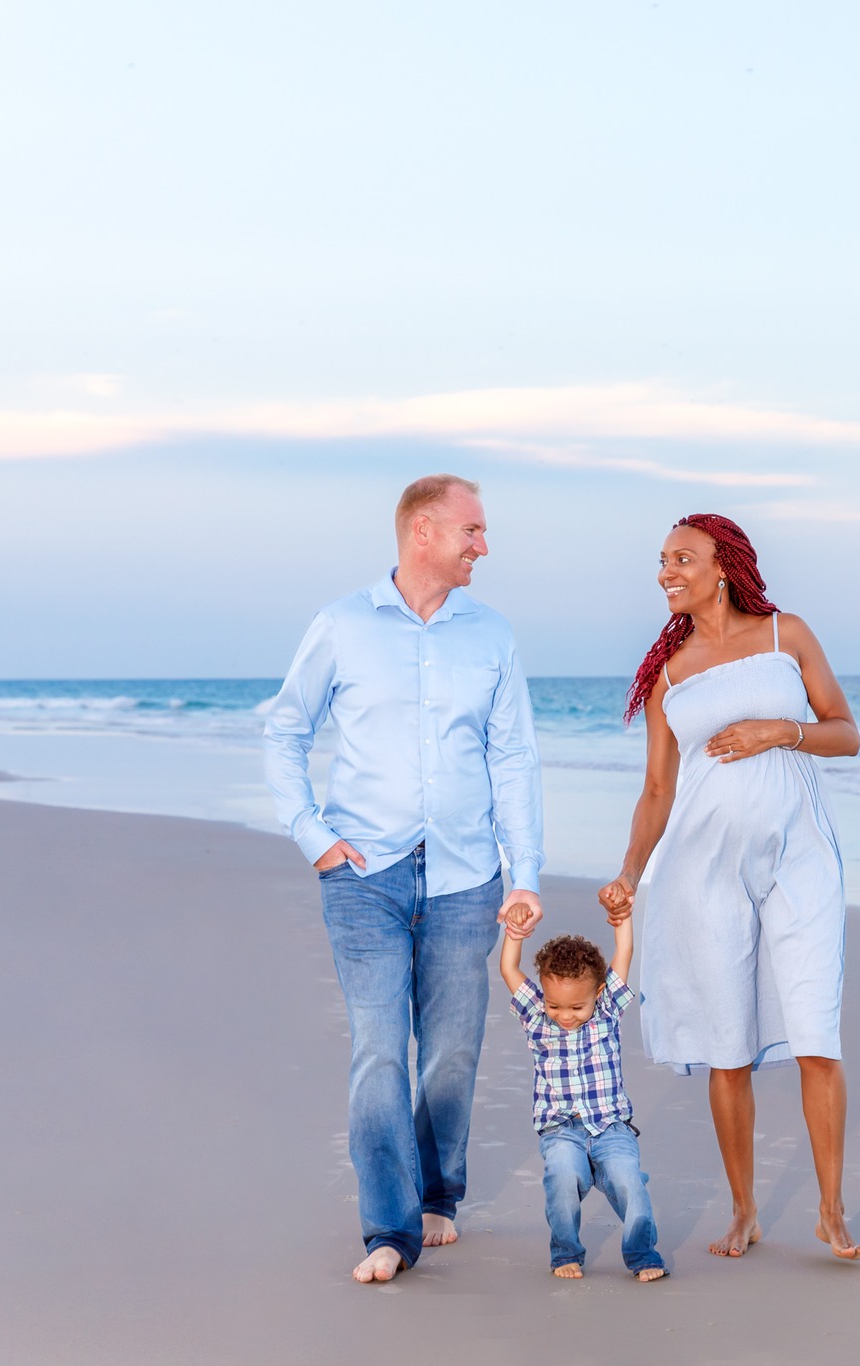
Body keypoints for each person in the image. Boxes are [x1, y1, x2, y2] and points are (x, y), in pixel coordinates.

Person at [262, 474, 545, 1285]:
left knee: (451, 1053)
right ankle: (388, 1228)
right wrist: (312, 834)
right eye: (473, 531)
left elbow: (514, 757)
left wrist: (524, 872)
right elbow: (285, 729)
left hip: (467, 875)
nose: (483, 546)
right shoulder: (343, 626)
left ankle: (439, 1195)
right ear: (424, 531)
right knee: (380, 1049)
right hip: (364, 876)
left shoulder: (492, 635)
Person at [598, 513, 860, 1261]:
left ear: (725, 565)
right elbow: (657, 790)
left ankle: (831, 1211)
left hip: (801, 857)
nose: (666, 571)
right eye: (661, 560)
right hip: (701, 869)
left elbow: (846, 731)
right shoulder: (669, 673)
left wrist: (781, 731)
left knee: (817, 1031)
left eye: (682, 557)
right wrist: (627, 871)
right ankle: (745, 1211)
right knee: (728, 1048)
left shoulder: (788, 635)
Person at [498, 915, 667, 1282]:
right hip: (561, 1130)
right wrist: (515, 932)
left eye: (577, 1008)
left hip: (611, 1128)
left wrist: (622, 916)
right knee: (560, 1178)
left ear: (598, 994)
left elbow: (625, 950)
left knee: (629, 1183)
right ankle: (565, 1253)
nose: (565, 1016)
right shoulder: (536, 1017)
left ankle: (642, 1254)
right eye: (556, 1006)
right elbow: (508, 966)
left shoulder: (607, 1011)